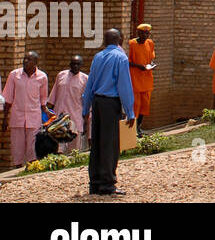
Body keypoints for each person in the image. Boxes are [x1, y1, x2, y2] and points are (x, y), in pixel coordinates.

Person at [80, 29, 134, 196]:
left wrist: (85, 108)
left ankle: (95, 182)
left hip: (97, 103)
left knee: (97, 142)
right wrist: (130, 111)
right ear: (120, 40)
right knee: (110, 143)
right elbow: (124, 87)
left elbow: (90, 85)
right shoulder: (121, 58)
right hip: (111, 104)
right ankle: (108, 184)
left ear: (105, 41)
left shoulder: (98, 57)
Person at [2, 52, 48, 167]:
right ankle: (17, 168)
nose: (25, 61)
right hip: (17, 118)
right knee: (17, 147)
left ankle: (31, 169)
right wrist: (4, 119)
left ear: (36, 63)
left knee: (32, 148)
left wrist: (46, 117)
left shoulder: (42, 77)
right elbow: (8, 99)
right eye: (24, 59)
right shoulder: (14, 75)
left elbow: (43, 101)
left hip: (34, 119)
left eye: (29, 59)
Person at [48, 55, 88, 152]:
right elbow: (52, 98)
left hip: (75, 118)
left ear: (81, 65)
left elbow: (87, 102)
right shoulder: (61, 75)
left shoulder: (85, 79)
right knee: (58, 149)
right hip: (59, 119)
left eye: (78, 64)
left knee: (74, 150)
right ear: (70, 64)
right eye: (73, 64)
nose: (75, 66)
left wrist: (86, 122)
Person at [127, 23, 155, 132]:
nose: (145, 36)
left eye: (147, 33)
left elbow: (151, 57)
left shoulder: (150, 43)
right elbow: (128, 61)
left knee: (145, 105)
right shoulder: (132, 44)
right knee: (136, 105)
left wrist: (151, 64)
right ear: (138, 33)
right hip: (135, 79)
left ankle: (139, 127)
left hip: (147, 79)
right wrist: (139, 66)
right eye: (143, 33)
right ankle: (132, 129)